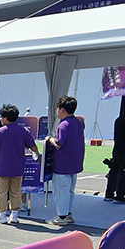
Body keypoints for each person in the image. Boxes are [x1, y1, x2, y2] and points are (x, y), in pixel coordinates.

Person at [0, 104, 40, 224]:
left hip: (2, 167)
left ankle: (2, 215)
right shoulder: (23, 131)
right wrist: (36, 154)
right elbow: (33, 146)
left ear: (6, 118)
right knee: (16, 191)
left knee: (1, 192)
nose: (0, 119)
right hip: (18, 167)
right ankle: (14, 215)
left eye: (2, 117)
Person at [48, 96, 84, 225]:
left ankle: (61, 216)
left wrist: (49, 139)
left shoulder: (63, 125)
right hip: (74, 163)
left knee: (61, 191)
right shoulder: (78, 122)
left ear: (62, 110)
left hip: (62, 165)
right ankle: (68, 214)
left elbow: (58, 143)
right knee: (69, 191)